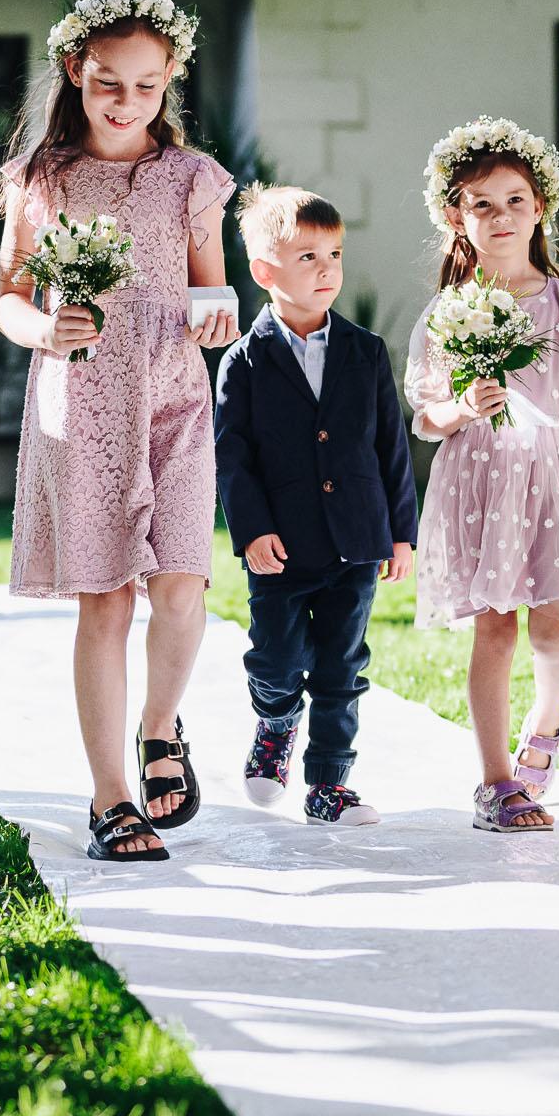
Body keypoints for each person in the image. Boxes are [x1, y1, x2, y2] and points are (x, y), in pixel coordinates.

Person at [0, 0, 240, 863]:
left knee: (181, 584)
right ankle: (110, 797)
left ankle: (160, 724)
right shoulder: (43, 178)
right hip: (85, 402)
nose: (126, 102)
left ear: (170, 79)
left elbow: (213, 286)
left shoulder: (192, 180)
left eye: (146, 85)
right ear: (74, 70)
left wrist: (217, 314)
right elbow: (9, 298)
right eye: (107, 83)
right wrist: (45, 330)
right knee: (104, 601)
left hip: (174, 400)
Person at [404, 117, 559, 833]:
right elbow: (426, 414)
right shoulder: (450, 312)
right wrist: (462, 407)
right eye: (482, 204)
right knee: (495, 629)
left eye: (515, 201)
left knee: (553, 628)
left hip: (556, 485)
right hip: (481, 487)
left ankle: (547, 718)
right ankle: (496, 780)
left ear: (540, 209)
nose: (500, 216)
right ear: (457, 217)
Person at [212, 185, 417, 828]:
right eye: (308, 257)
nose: (327, 269)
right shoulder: (243, 362)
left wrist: (401, 533)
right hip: (280, 546)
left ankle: (329, 784)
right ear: (265, 272)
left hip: (356, 540)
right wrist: (251, 531)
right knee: (275, 660)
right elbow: (232, 458)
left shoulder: (365, 351)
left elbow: (390, 446)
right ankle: (276, 721)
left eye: (334, 255)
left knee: (341, 666)